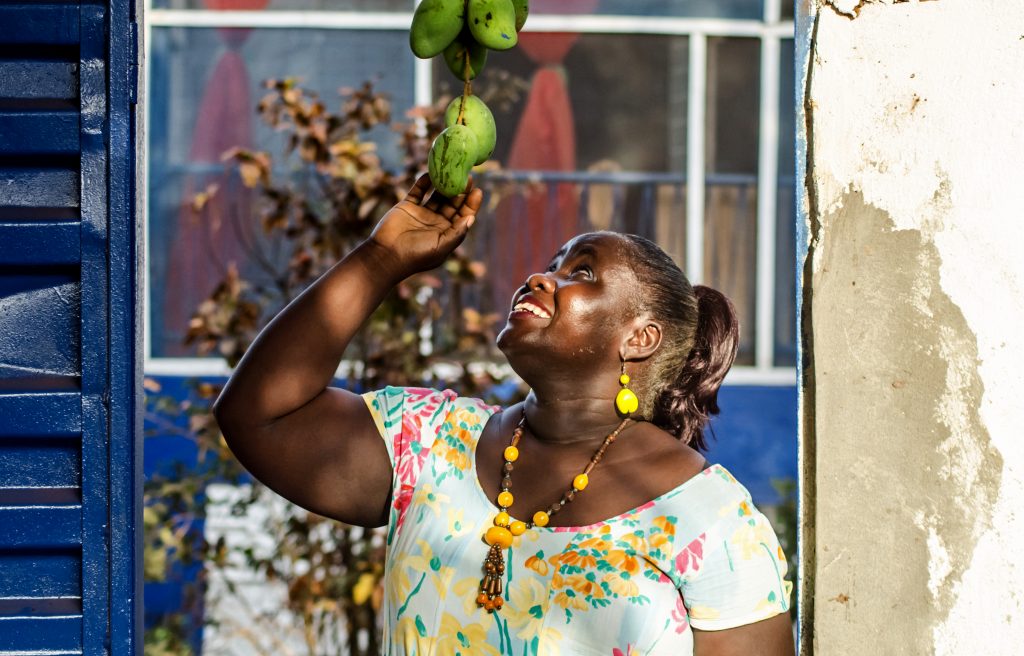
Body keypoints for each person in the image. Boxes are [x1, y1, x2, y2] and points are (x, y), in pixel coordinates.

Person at [214, 174, 795, 655]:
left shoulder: (710, 520)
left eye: (582, 273)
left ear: (640, 338)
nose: (541, 277)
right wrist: (381, 258)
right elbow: (260, 415)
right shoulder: (430, 442)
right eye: (552, 264)